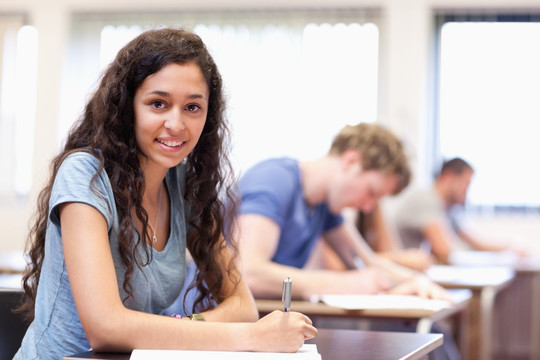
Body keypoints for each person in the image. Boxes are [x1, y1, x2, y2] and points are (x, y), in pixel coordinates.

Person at [14, 28, 317, 360]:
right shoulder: (85, 174)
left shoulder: (185, 184)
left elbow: (243, 306)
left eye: (192, 107)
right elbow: (105, 328)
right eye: (158, 103)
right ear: (127, 107)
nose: (176, 124)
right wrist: (252, 336)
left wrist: (177, 327)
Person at [232, 122, 449, 300]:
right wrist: (345, 283)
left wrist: (417, 281)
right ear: (351, 160)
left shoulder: (323, 206)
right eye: (371, 192)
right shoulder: (274, 180)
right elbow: (249, 273)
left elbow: (366, 262)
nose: (367, 207)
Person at [391, 157, 511, 264]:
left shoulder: (448, 208)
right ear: (448, 176)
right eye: (466, 184)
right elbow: (444, 251)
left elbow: (475, 242)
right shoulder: (425, 200)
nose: (466, 192)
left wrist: (509, 248)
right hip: (401, 268)